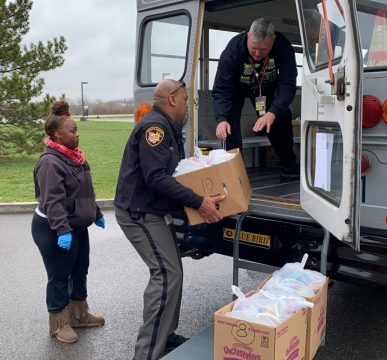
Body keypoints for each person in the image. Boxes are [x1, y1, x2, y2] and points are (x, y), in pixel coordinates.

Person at [114, 79, 225, 359]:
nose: (188, 104)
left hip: (152, 210)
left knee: (173, 270)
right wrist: (199, 202)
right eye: (186, 99)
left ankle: (166, 336)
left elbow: (172, 172)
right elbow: (156, 178)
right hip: (139, 213)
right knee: (166, 274)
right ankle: (147, 352)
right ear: (172, 99)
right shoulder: (156, 128)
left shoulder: (167, 127)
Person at [31, 100, 105, 344]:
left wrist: (95, 212)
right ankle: (59, 323)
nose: (77, 134)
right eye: (73, 130)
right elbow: (53, 202)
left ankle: (79, 315)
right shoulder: (50, 163)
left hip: (76, 226)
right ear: (57, 135)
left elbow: (84, 191)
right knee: (60, 275)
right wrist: (62, 230)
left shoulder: (75, 157)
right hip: (54, 228)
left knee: (80, 269)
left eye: (76, 129)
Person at [213, 17, 299, 180]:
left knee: (280, 119)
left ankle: (288, 167)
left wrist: (272, 112)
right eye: (253, 50)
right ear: (247, 37)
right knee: (228, 126)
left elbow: (287, 82)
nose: (258, 54)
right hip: (236, 88)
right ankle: (234, 175)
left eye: (263, 50)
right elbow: (222, 89)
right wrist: (221, 118)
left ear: (272, 41)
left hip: (266, 88)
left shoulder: (282, 45)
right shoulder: (233, 50)